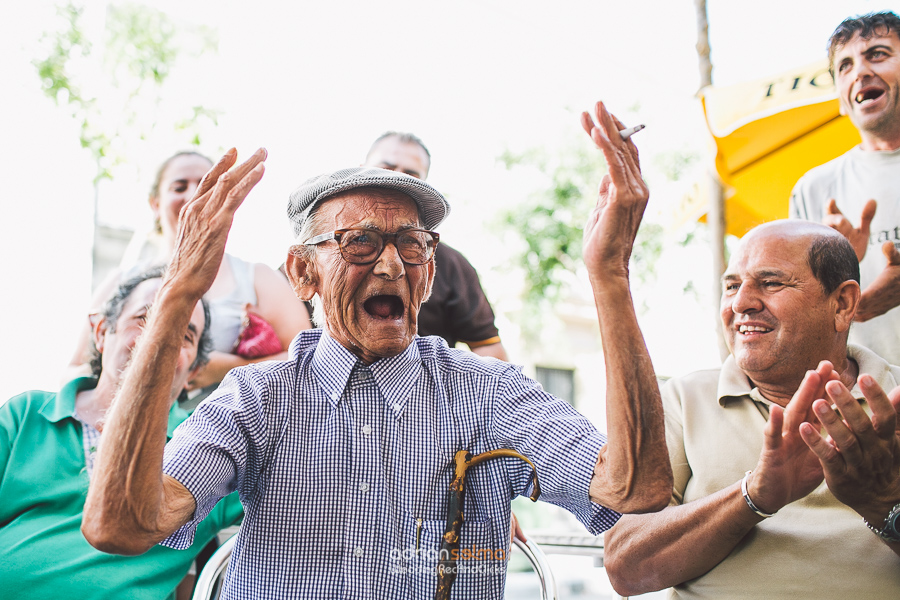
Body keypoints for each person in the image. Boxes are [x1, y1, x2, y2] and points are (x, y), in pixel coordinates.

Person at [81, 103, 673, 598]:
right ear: (304, 273)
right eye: (359, 242)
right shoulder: (257, 396)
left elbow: (632, 490)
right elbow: (120, 524)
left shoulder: (491, 394)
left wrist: (611, 276)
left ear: (430, 269)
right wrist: (181, 291)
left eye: (411, 245)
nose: (390, 264)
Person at [602, 220, 900, 599]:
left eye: (771, 282)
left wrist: (883, 505)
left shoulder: (893, 401)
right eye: (731, 286)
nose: (740, 303)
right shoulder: (681, 398)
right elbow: (626, 569)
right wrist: (752, 497)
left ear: (841, 304)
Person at [0, 268, 243, 600]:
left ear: (194, 372)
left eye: (184, 334)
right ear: (101, 332)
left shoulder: (209, 445)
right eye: (147, 318)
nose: (162, 340)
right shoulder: (25, 413)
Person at [68, 151, 311, 408]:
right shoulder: (122, 281)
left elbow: (309, 358)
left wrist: (233, 367)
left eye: (207, 184)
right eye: (179, 186)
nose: (194, 195)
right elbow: (74, 371)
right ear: (155, 204)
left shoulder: (257, 279)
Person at [791, 11, 900, 366]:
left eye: (878, 54)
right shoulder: (814, 189)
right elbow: (797, 312)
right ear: (840, 98)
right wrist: (832, 270)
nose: (860, 72)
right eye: (845, 66)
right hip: (859, 399)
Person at [363, 132, 509, 360]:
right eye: (386, 168)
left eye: (411, 175)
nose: (397, 180)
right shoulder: (322, 249)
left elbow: (490, 352)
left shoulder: (452, 265)